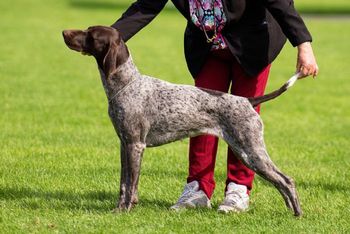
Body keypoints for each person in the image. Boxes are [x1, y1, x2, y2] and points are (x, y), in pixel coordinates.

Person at [111, 0, 318, 213]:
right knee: (195, 112)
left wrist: (304, 44)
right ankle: (198, 188)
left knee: (242, 122)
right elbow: (145, 6)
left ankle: (238, 189)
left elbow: (279, 2)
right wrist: (108, 39)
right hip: (207, 45)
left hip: (252, 42)